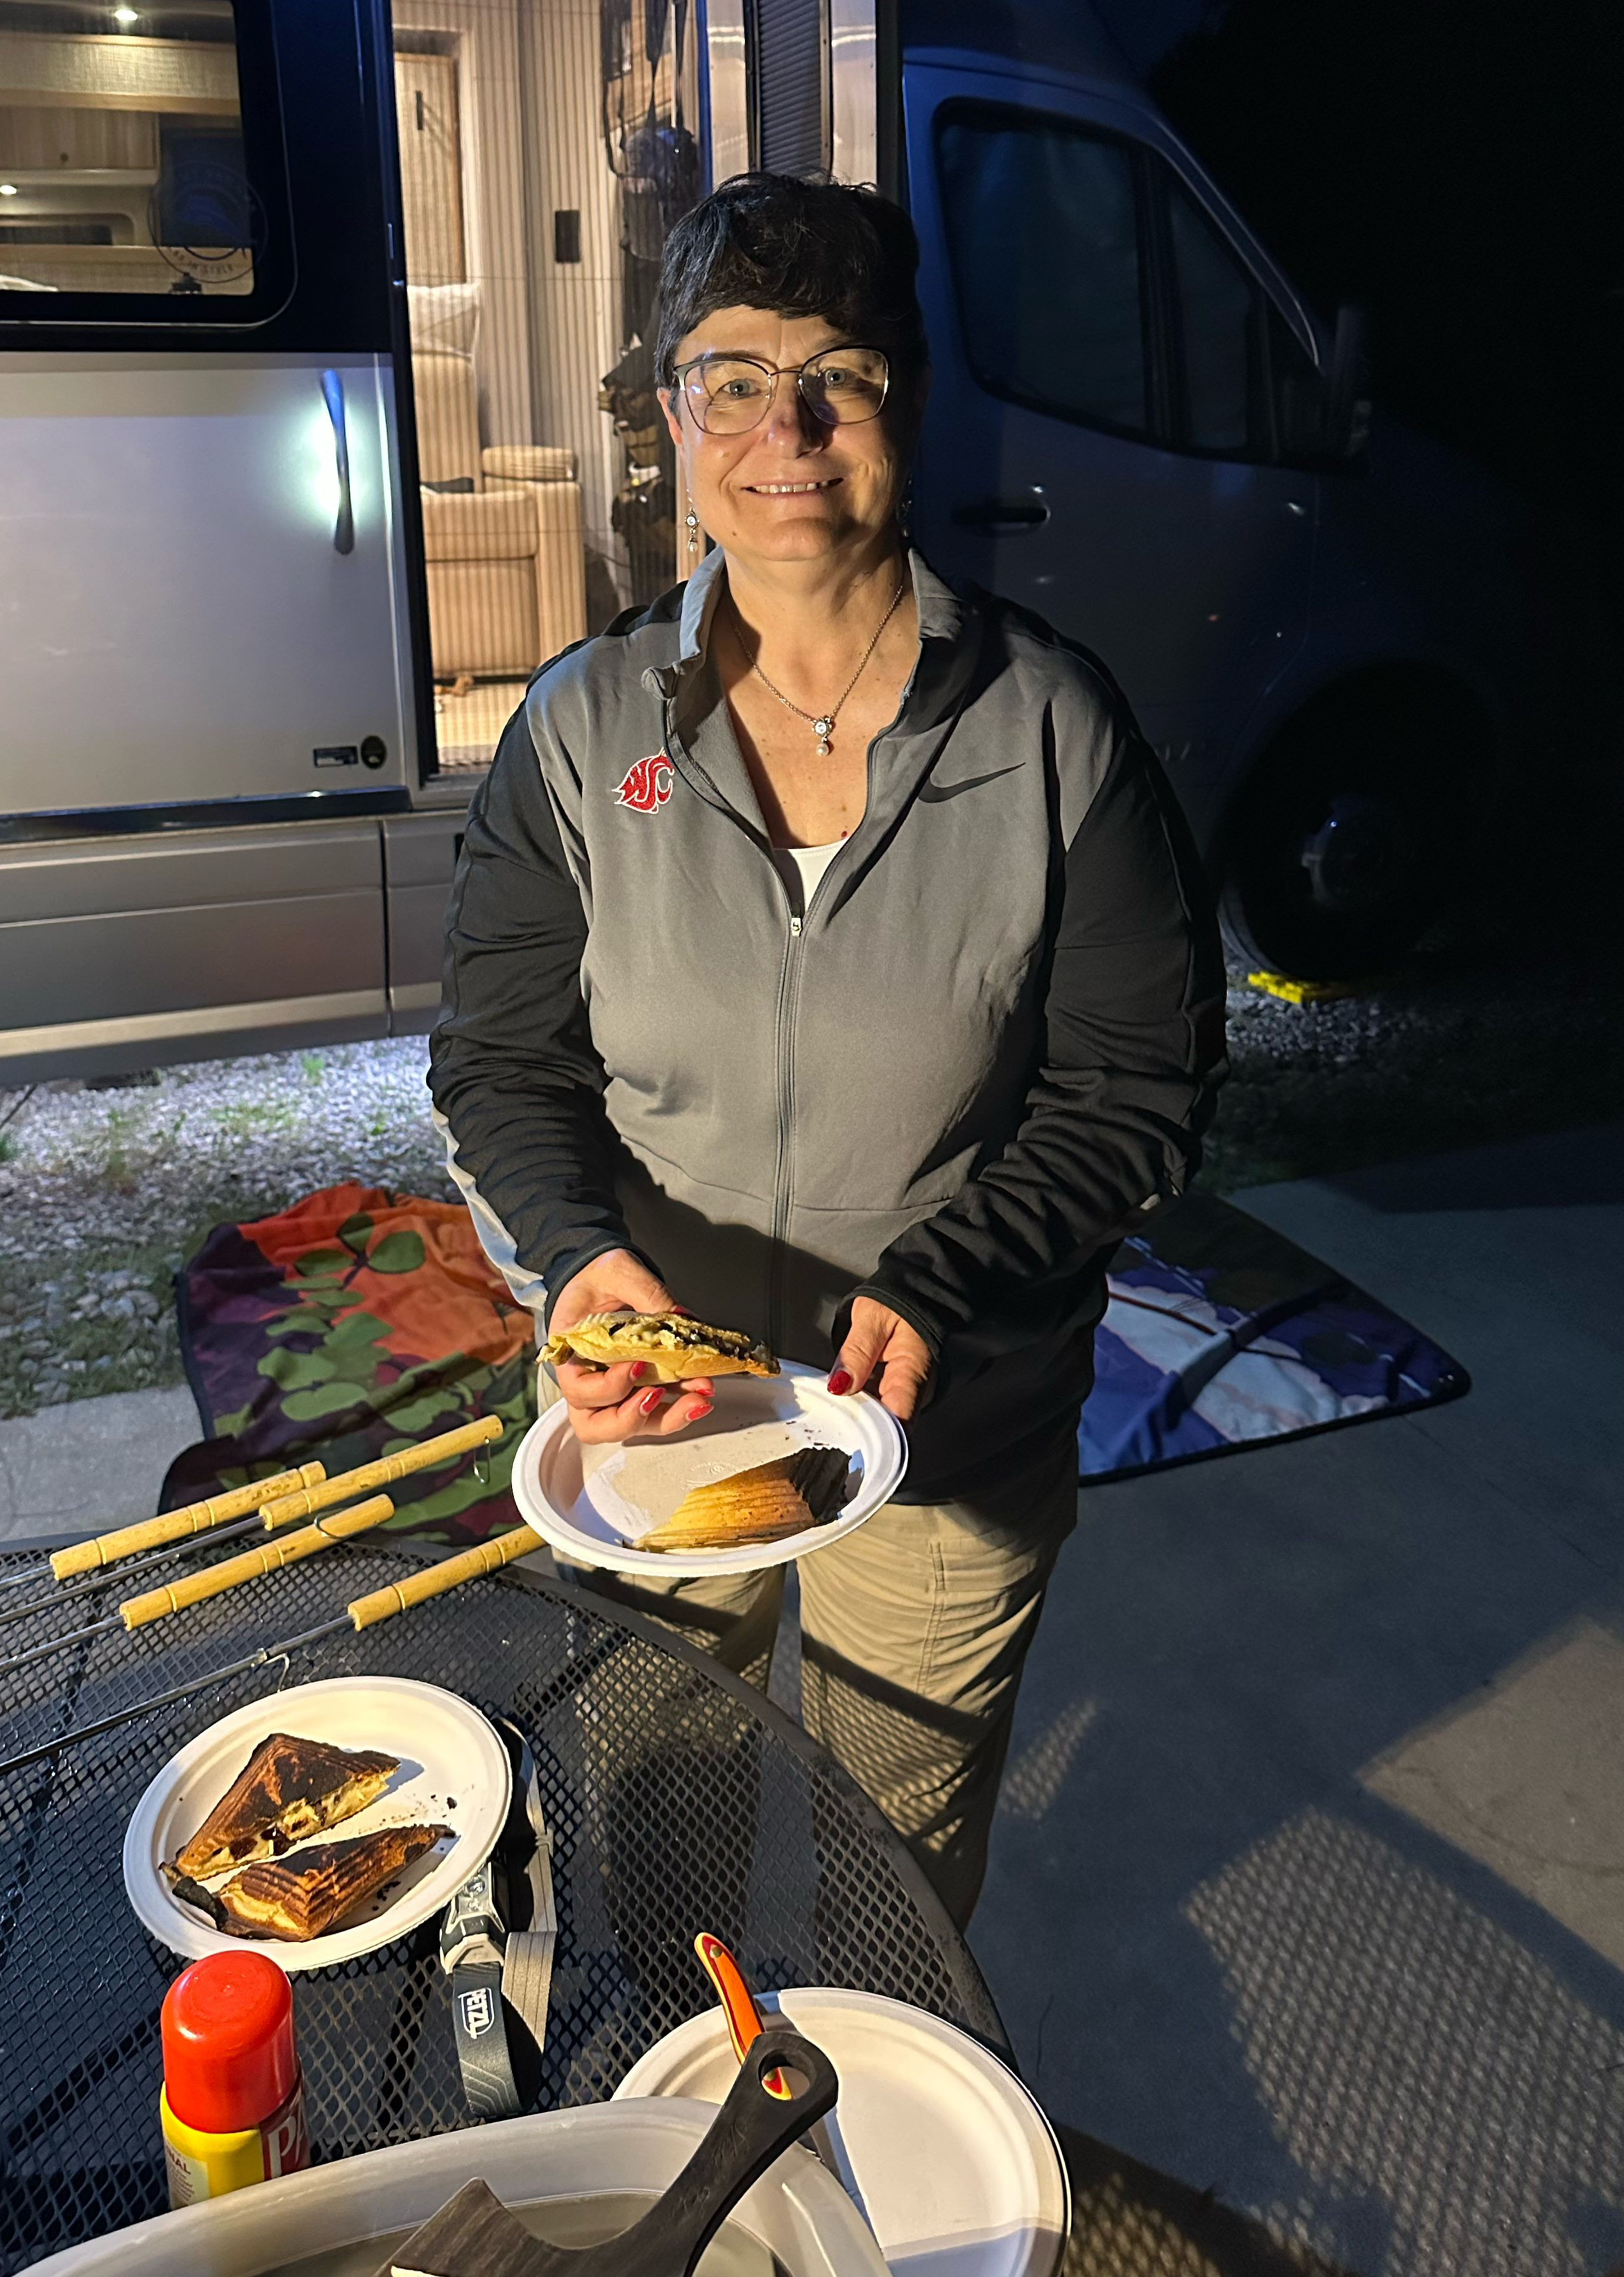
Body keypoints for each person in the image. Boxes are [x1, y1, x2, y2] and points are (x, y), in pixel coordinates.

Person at [430, 172, 1225, 1922]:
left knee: (897, 1881)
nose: (782, 428)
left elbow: (1137, 1087)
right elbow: (501, 1064)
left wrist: (951, 1275)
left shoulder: (1050, 727)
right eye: (730, 378)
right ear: (670, 415)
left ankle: (867, 2172)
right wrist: (576, 1264)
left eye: (837, 376)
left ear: (906, 403)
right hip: (653, 1414)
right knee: (661, 1851)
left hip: (949, 1435)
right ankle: (692, 2169)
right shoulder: (581, 734)